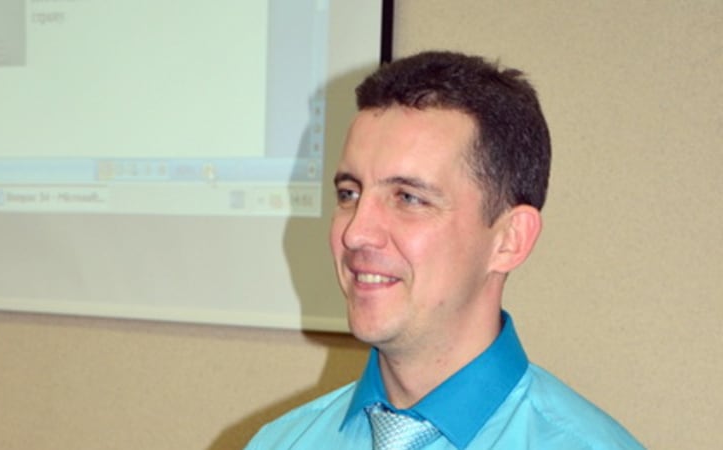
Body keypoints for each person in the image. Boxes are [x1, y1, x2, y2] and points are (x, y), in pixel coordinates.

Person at [245, 51, 644, 449]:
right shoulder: (278, 443)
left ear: (510, 239)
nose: (356, 233)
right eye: (349, 193)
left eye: (408, 198)